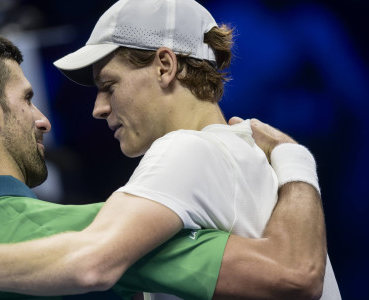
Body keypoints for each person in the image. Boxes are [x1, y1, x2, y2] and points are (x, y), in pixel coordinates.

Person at [0, 22, 324, 300]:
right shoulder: (108, 231)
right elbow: (291, 273)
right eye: (29, 99)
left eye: (109, 86)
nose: (43, 120)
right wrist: (293, 157)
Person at [53, 0, 340, 299]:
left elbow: (89, 261)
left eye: (110, 85)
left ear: (164, 67)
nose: (98, 108)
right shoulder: (258, 159)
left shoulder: (186, 149)